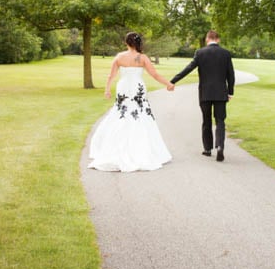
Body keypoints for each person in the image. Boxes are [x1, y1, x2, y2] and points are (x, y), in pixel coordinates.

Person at [88, 32, 175, 172]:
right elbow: (155, 74)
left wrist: (107, 90)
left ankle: (115, 147)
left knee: (121, 113)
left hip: (123, 87)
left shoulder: (119, 57)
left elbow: (111, 75)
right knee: (139, 114)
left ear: (126, 43)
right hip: (137, 88)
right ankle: (141, 149)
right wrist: (168, 84)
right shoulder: (142, 58)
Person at [170, 30, 235, 161]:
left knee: (206, 121)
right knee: (220, 120)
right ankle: (220, 146)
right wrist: (230, 92)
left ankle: (207, 149)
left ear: (207, 39)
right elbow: (231, 75)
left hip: (205, 92)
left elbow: (188, 68)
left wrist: (173, 81)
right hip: (220, 93)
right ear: (218, 39)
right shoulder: (226, 54)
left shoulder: (200, 53)